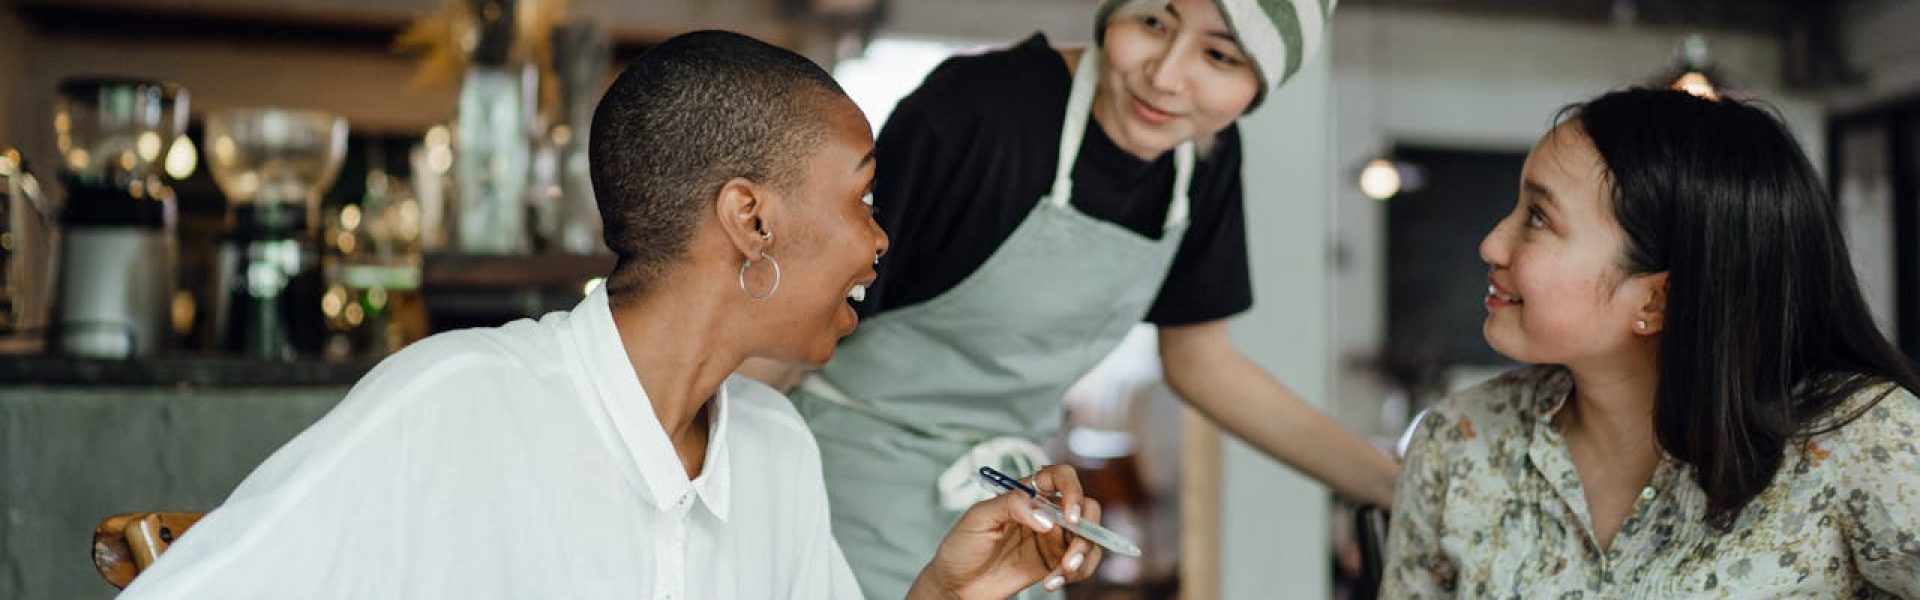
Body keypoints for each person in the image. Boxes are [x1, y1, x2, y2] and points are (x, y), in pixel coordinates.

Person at [118, 30, 1107, 599]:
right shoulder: (457, 403)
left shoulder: (773, 448)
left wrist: (948, 590)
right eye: (862, 199)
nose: (881, 241)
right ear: (749, 219)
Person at [738, 0, 1400, 595]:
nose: (1167, 77)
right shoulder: (978, 109)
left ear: (1261, 84)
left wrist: (1398, 485)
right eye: (1152, 23)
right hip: (842, 481)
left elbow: (1204, 363)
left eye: (1219, 55)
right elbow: (795, 319)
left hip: (998, 500)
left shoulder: (1205, 164)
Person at [1382, 88, 1920, 598]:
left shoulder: (1857, 441)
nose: (1491, 243)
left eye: (1539, 218)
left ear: (1657, 301)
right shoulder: (1457, 443)